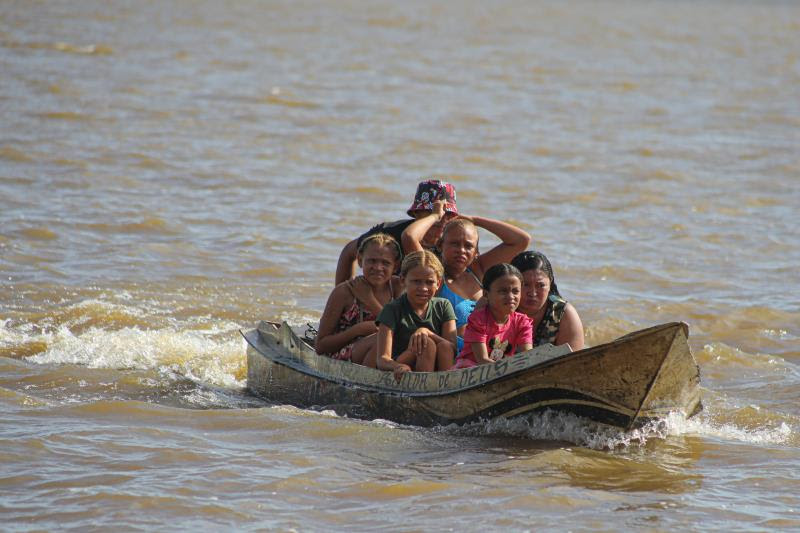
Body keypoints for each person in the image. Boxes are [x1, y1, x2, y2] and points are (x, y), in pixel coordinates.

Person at [402, 200, 530, 344]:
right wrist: (435, 216)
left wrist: (474, 220)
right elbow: (409, 237)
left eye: (468, 246)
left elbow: (521, 240)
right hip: (453, 351)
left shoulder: (479, 271)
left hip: (489, 349)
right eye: (454, 243)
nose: (461, 250)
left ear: (476, 252)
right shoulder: (433, 275)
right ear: (440, 245)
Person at [334, 179, 458, 285]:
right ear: (416, 213)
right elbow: (349, 252)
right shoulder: (389, 233)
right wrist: (344, 294)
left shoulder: (454, 243)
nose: (441, 219)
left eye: (448, 214)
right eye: (431, 212)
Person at [315, 233, 403, 365]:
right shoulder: (344, 292)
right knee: (380, 340)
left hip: (387, 357)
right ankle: (369, 378)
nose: (378, 268)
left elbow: (403, 332)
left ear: (395, 266)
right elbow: (320, 346)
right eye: (372, 261)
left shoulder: (397, 287)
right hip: (345, 359)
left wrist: (369, 300)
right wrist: (357, 330)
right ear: (360, 260)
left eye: (385, 263)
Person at [375, 250, 457, 380]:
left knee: (445, 346)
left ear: (438, 284)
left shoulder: (443, 305)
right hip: (403, 365)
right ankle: (424, 386)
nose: (423, 288)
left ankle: (446, 385)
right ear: (403, 280)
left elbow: (453, 348)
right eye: (416, 281)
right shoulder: (392, 309)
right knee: (427, 344)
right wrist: (398, 366)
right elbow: (382, 359)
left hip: (438, 365)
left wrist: (427, 332)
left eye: (429, 282)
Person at [453, 263, 533, 368]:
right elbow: (482, 360)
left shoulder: (522, 322)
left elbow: (528, 356)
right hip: (471, 369)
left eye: (515, 291)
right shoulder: (478, 320)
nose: (510, 296)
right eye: (503, 291)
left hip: (501, 370)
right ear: (486, 294)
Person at [511, 251, 585, 350]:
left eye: (541, 285)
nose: (532, 293)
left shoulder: (562, 313)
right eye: (525, 285)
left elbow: (576, 358)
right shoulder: (499, 309)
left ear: (550, 284)